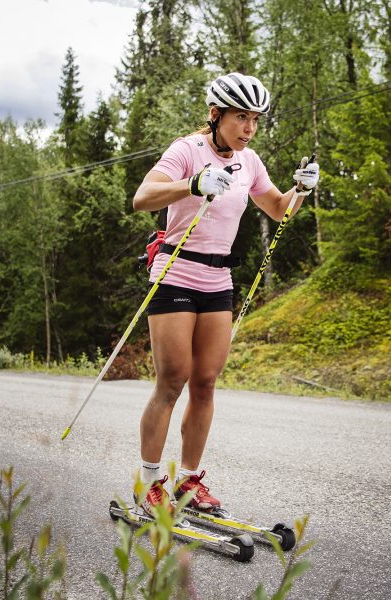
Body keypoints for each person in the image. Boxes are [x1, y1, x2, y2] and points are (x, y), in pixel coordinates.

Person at [131, 73, 319, 515]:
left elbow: (278, 209)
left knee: (206, 381)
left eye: (254, 119)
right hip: (175, 271)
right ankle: (149, 483)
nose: (248, 128)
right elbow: (143, 197)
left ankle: (188, 483)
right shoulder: (185, 150)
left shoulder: (249, 162)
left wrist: (302, 190)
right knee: (172, 379)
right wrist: (193, 184)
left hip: (218, 280)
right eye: (240, 117)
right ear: (216, 115)